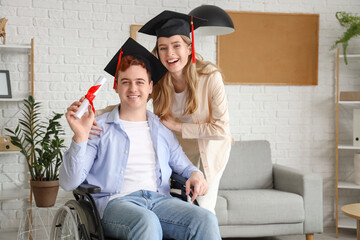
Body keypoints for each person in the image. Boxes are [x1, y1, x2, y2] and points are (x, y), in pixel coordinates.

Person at [59, 37, 221, 240]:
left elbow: (185, 166)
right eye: (125, 82)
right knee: (147, 221)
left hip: (160, 201)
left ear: (151, 87)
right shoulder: (97, 127)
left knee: (205, 220)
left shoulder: (161, 129)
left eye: (140, 82)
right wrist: (80, 137)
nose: (133, 89)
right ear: (116, 87)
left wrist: (196, 174)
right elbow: (68, 182)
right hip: (116, 204)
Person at [95, 10, 232, 215]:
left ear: (189, 48)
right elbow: (133, 100)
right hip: (178, 150)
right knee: (177, 207)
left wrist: (176, 126)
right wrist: (95, 114)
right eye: (163, 48)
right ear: (157, 53)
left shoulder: (210, 78)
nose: (170, 54)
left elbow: (220, 129)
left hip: (208, 151)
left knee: (202, 208)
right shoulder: (159, 80)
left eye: (176, 46)